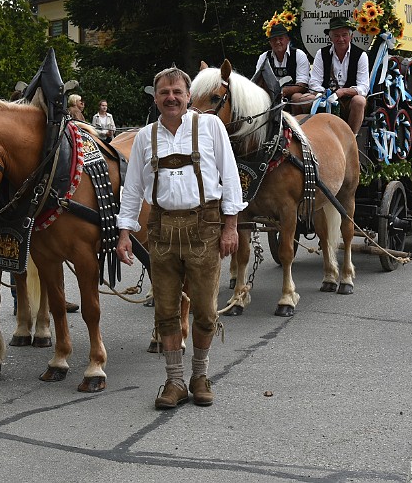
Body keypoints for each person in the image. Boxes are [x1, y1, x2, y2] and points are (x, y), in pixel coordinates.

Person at [116, 66, 245, 410]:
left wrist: (230, 226)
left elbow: (230, 176)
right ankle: (174, 381)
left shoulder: (210, 126)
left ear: (188, 96)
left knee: (204, 311)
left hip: (205, 226)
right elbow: (132, 190)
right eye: (164, 92)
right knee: (167, 311)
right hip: (161, 229)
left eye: (177, 92)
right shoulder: (145, 136)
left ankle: (199, 376)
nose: (170, 98)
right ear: (156, 97)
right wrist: (125, 232)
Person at [309, 16, 370, 134]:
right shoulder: (321, 54)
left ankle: (352, 139)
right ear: (330, 38)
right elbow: (314, 82)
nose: (341, 39)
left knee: (360, 101)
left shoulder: (361, 55)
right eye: (336, 35)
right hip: (326, 100)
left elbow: (364, 88)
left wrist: (343, 92)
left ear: (351, 36)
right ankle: (311, 138)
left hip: (349, 101)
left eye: (344, 35)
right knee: (306, 99)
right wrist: (323, 93)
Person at [254, 20, 315, 111]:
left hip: (292, 96)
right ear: (270, 43)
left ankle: (297, 124)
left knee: (296, 97)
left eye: (281, 38)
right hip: (270, 96)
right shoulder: (264, 58)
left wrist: (282, 92)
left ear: (288, 40)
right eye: (274, 39)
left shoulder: (298, 55)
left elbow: (302, 85)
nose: (278, 42)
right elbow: (257, 82)